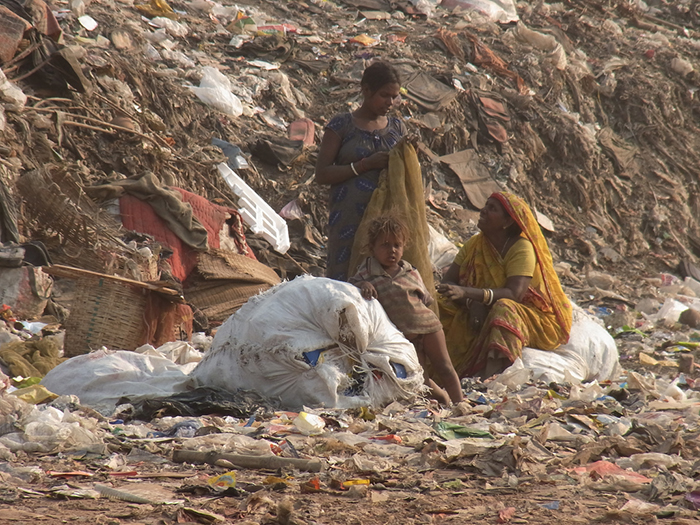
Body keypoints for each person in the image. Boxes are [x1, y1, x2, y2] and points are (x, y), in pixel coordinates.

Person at [436, 192, 572, 378]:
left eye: (492, 208)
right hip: (477, 306)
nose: (483, 211)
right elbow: (448, 282)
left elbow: (514, 294)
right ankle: (437, 370)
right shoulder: (475, 244)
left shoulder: (521, 248)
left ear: (508, 222)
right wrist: (470, 303)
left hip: (528, 314)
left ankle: (494, 377)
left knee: (503, 309)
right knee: (435, 303)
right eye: (486, 205)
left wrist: (468, 293)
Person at [349, 214, 464, 404]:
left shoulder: (411, 271)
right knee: (419, 378)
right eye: (385, 245)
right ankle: (444, 398)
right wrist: (362, 284)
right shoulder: (367, 271)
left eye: (397, 245)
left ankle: (460, 403)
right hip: (402, 336)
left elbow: (425, 300)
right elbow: (350, 289)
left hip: (428, 327)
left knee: (444, 367)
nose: (392, 250)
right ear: (372, 248)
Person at [315, 61, 407, 281]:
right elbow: (322, 174)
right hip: (348, 216)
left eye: (394, 97)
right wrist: (364, 165)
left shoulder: (397, 128)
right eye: (385, 95)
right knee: (345, 275)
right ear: (366, 90)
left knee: (385, 277)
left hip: (385, 218)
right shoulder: (342, 125)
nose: (390, 102)